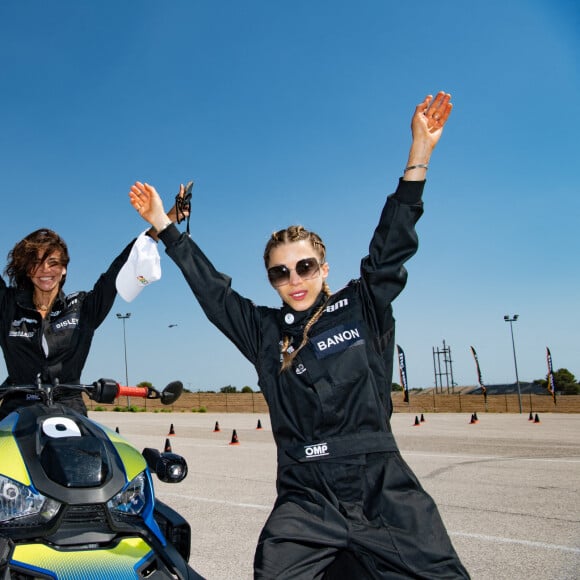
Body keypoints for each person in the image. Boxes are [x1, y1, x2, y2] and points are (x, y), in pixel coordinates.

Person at [130, 91, 470, 579]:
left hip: (382, 486)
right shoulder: (265, 333)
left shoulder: (363, 304)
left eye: (305, 266)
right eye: (280, 272)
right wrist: (164, 225)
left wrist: (419, 154)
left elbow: (392, 247)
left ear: (324, 267)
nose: (294, 279)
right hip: (306, 498)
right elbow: (215, 294)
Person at [0, 206, 182, 420]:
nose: (45, 270)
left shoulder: (83, 307)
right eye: (36, 263)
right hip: (16, 408)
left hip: (69, 409)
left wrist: (163, 222)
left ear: (64, 268)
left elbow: (118, 269)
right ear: (28, 269)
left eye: (53, 263)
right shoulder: (7, 305)